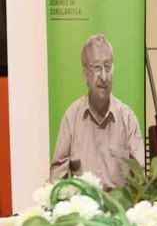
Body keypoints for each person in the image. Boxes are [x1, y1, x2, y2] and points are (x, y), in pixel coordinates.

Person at [50, 34, 144, 190]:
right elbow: (57, 177)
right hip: (83, 203)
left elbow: (140, 178)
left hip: (119, 203)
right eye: (97, 68)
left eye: (107, 67)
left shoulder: (127, 118)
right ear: (85, 74)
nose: (104, 77)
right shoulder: (71, 117)